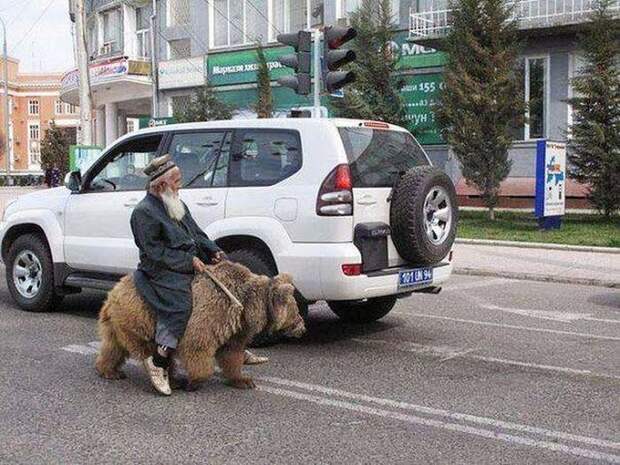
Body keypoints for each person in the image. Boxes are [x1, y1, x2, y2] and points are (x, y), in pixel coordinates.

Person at [131, 154, 267, 396]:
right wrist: (188, 260)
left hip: (192, 262)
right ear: (161, 185)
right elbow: (154, 252)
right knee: (182, 305)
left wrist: (213, 251)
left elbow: (197, 234)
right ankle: (159, 359)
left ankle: (231, 346)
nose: (180, 185)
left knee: (229, 292)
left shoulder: (176, 203)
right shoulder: (143, 213)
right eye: (176, 181)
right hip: (161, 271)